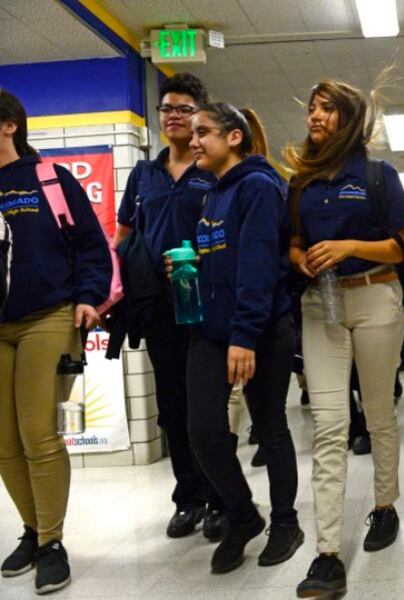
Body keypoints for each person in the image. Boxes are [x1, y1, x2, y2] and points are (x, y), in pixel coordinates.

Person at [285, 78, 404, 598]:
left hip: (377, 298)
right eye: (313, 108)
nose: (315, 116)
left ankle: (385, 505)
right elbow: (293, 246)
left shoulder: (379, 177)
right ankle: (328, 554)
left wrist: (348, 246)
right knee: (331, 424)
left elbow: (402, 247)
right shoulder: (302, 183)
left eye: (327, 109)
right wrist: (307, 259)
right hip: (322, 304)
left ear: (350, 119)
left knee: (379, 412)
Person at [181, 103, 302, 574]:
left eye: (203, 132)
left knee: (270, 427)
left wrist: (245, 336)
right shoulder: (213, 194)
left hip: (260, 329)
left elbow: (256, 265)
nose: (194, 141)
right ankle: (243, 515)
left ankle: (286, 522)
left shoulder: (258, 186)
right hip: (211, 331)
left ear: (234, 137)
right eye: (192, 133)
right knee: (203, 430)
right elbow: (222, 258)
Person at [0, 89, 112, 594]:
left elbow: (90, 240)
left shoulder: (49, 178)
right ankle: (31, 528)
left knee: (39, 433)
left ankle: (52, 543)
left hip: (48, 316)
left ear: (8, 125)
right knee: (3, 441)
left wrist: (89, 295)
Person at [112, 73, 227, 542]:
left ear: (201, 114)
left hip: (206, 302)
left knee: (208, 405)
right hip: (158, 305)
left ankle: (222, 497)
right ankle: (189, 498)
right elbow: (122, 235)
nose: (174, 117)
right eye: (166, 109)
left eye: (183, 109)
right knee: (172, 406)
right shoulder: (144, 174)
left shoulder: (214, 170)